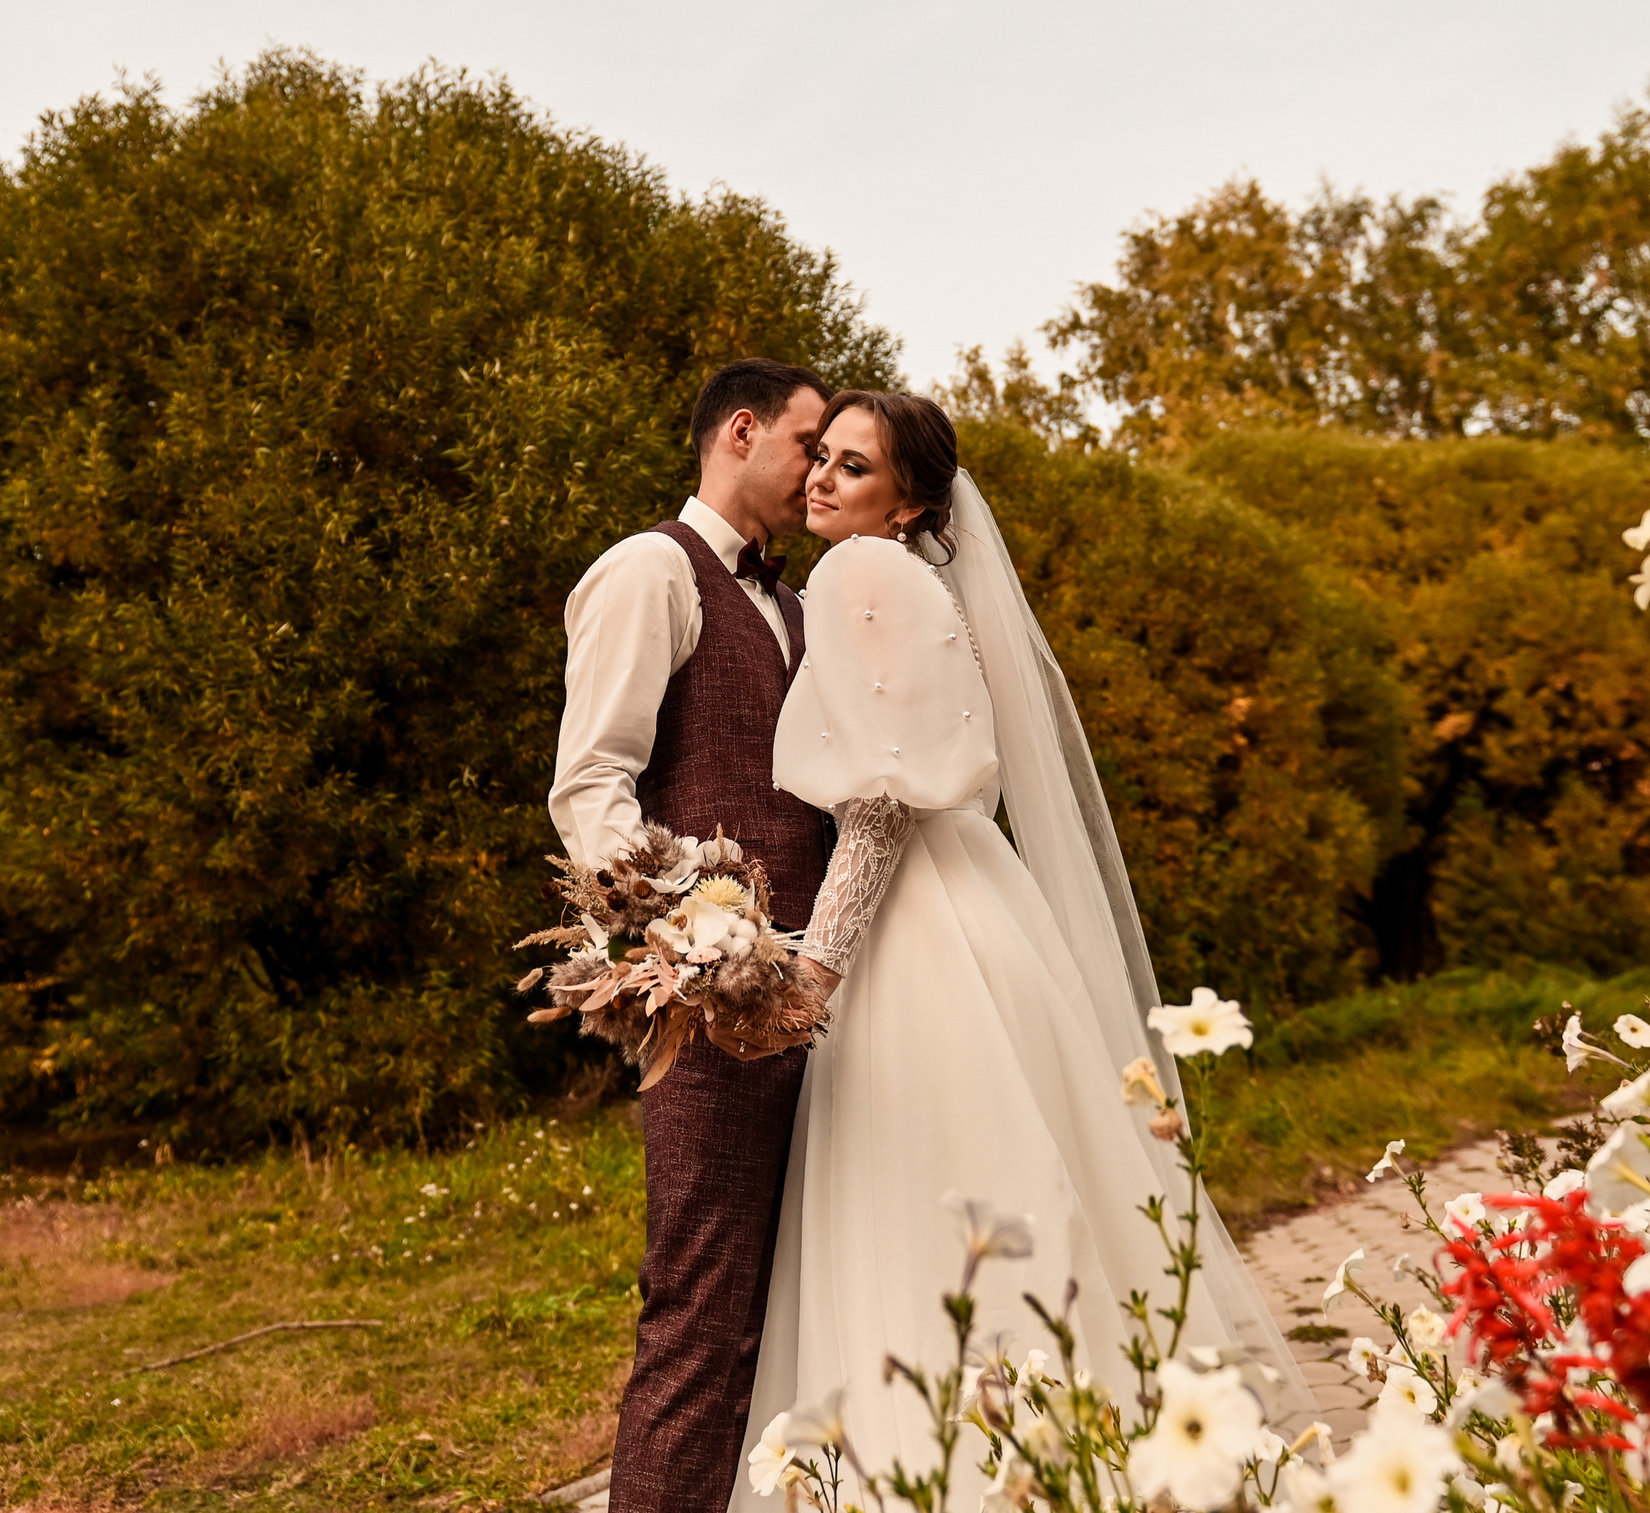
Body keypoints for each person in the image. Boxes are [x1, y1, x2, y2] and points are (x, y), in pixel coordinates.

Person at [729, 391, 1310, 1509]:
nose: (824, 481)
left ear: (908, 503)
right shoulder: (919, 581)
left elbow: (884, 802)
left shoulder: (859, 574)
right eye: (824, 459)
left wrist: (819, 967)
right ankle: (1078, 1444)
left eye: (854, 470)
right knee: (1008, 1175)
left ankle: (945, 1465)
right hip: (977, 907)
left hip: (908, 928)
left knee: (915, 1193)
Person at [550, 358, 835, 1513]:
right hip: (714, 1003)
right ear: (741, 429)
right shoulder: (649, 570)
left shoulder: (795, 605)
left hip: (817, 1001)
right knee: (701, 1309)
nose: (819, 470)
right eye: (809, 444)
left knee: (791, 1306)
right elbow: (591, 790)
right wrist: (699, 944)